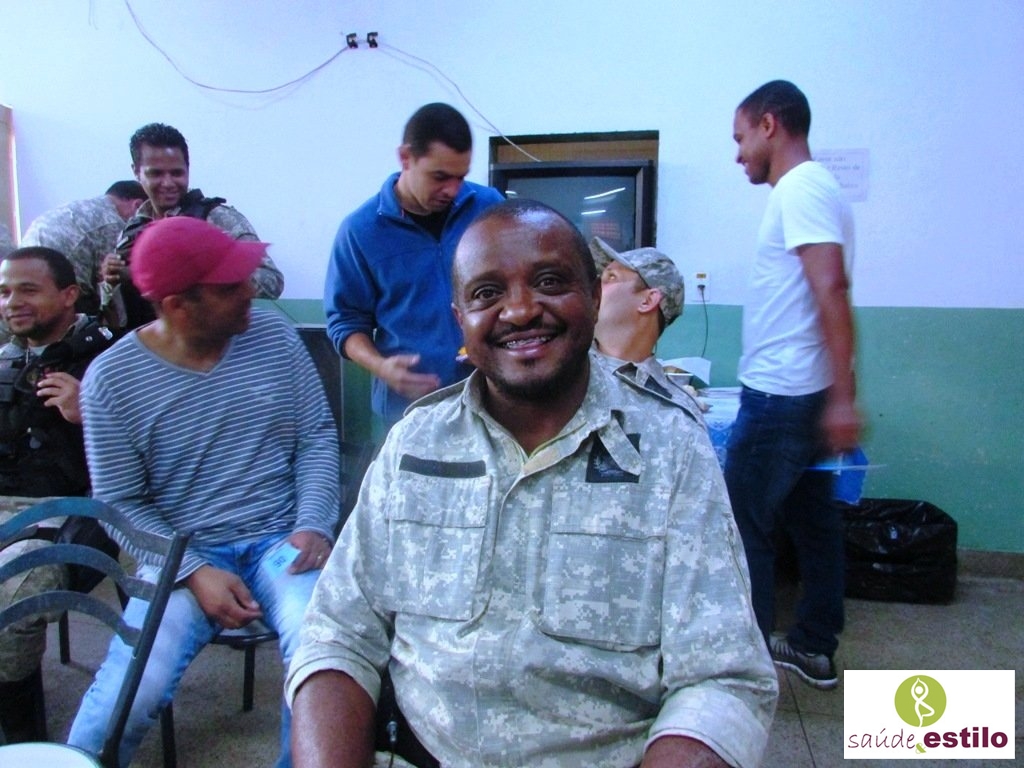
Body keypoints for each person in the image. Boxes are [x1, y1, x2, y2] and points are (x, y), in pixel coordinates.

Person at [288, 200, 777, 768]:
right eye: (486, 293)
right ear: (461, 319)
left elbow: (722, 680)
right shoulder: (415, 445)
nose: (519, 311)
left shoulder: (670, 449)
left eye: (549, 282)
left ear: (593, 297)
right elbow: (338, 635)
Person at [67, 217, 339, 767]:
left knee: (326, 666)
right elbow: (119, 502)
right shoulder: (112, 381)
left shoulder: (274, 337)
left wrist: (312, 523)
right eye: (231, 286)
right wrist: (192, 570)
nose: (251, 291)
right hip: (181, 552)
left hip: (281, 541)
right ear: (177, 305)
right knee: (127, 695)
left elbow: (315, 435)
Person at [726, 80, 861, 691]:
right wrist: (838, 389)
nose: (738, 154)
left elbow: (830, 286)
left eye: (741, 137)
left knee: (743, 524)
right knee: (812, 520)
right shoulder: (814, 189)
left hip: (781, 394)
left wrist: (844, 396)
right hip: (803, 388)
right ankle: (811, 646)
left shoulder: (802, 188)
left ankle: (746, 668)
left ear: (770, 125)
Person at [324, 102, 504, 431]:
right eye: (440, 177)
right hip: (409, 412)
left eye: (461, 177)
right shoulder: (360, 231)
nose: (452, 190)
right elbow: (345, 322)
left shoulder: (489, 208)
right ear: (405, 158)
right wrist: (380, 366)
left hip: (491, 397)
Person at [0, 246, 116, 741]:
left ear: (69, 295)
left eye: (28, 290)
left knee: (10, 596)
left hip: (83, 514)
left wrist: (92, 415)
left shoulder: (114, 359)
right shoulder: (6, 357)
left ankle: (20, 741)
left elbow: (161, 453)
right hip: (9, 507)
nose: (12, 302)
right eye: (5, 291)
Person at [101, 122, 284, 330]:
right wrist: (110, 282)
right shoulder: (131, 230)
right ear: (136, 172)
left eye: (177, 173)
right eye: (156, 174)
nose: (168, 183)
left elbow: (271, 281)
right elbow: (115, 317)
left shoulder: (216, 218)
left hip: (213, 343)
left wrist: (198, 275)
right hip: (150, 344)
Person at [589, 236, 705, 419]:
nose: (594, 287)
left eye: (611, 277)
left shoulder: (673, 415)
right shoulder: (557, 365)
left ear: (648, 301)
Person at [20, 181, 148, 315]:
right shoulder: (113, 224)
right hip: (58, 297)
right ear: (137, 206)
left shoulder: (77, 208)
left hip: (25, 286)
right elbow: (109, 286)